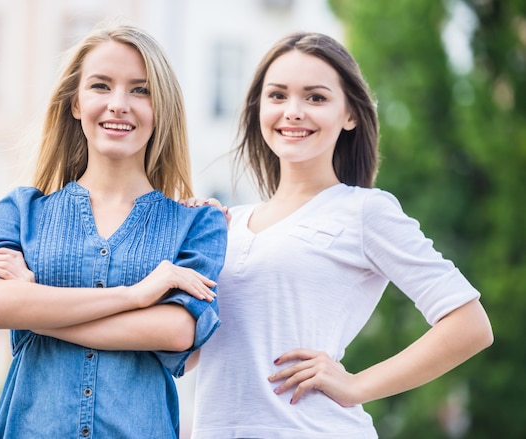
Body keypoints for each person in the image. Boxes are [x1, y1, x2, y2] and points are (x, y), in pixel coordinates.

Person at [185, 32, 493, 438]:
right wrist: (185, 252)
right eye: (277, 96)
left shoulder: (365, 211)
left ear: (349, 115)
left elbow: (470, 325)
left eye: (315, 97)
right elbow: (187, 355)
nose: (293, 111)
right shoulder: (227, 224)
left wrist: (356, 385)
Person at [0, 23, 227, 439]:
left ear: (161, 107)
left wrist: (32, 304)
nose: (119, 104)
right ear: (76, 103)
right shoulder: (23, 211)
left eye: (140, 90)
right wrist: (136, 296)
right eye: (101, 86)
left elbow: (176, 331)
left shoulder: (197, 224)